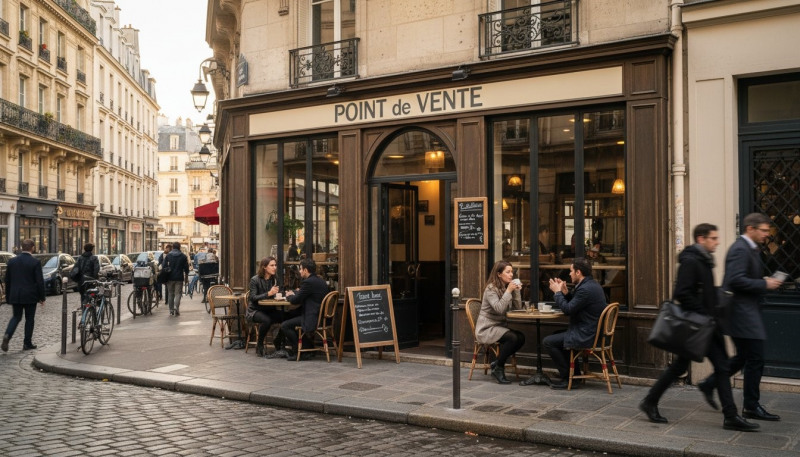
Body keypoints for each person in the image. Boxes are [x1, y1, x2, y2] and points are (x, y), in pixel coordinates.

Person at [639, 224, 759, 432]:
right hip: (699, 326)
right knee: (692, 367)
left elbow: (701, 292)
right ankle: (729, 415)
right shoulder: (692, 261)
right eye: (713, 238)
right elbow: (682, 293)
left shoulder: (703, 260)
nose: (717, 242)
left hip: (707, 325)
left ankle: (730, 415)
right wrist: (705, 313)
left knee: (715, 367)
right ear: (701, 239)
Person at [698, 213, 783, 422]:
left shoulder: (750, 248)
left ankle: (709, 384)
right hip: (741, 313)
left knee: (744, 357)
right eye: (763, 230)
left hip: (746, 312)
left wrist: (761, 280)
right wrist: (765, 284)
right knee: (755, 358)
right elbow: (735, 280)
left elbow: (742, 278)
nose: (766, 235)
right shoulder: (740, 249)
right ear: (750, 229)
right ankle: (751, 406)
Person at [535, 257, 606, 389]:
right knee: (557, 335)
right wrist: (566, 293)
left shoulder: (585, 289)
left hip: (587, 334)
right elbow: (576, 304)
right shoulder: (591, 285)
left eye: (571, 271)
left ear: (578, 272)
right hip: (591, 330)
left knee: (548, 342)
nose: (569, 274)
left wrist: (557, 293)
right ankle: (573, 375)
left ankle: (567, 378)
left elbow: (568, 310)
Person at [474, 260, 525, 384]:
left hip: (499, 327)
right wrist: (509, 291)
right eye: (508, 272)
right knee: (512, 338)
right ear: (499, 274)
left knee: (521, 337)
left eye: (512, 272)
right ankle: (499, 368)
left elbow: (517, 308)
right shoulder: (491, 289)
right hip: (486, 328)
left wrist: (517, 290)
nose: (511, 275)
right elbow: (499, 309)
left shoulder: (505, 287)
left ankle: (497, 363)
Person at [2, 239, 46, 352]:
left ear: (22, 248)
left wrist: (7, 296)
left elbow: (7, 280)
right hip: (30, 296)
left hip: (15, 294)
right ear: (32, 248)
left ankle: (7, 335)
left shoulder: (12, 261)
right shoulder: (35, 262)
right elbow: (39, 281)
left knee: (16, 317)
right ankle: (27, 343)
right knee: (29, 319)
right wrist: (42, 297)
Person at [281, 258, 328, 361]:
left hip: (312, 317)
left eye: (301, 269)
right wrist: (296, 293)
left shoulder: (308, 282)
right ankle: (308, 348)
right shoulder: (320, 280)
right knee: (290, 315)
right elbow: (305, 294)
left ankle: (298, 351)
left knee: (285, 325)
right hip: (321, 316)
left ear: (306, 270)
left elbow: (296, 300)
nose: (300, 271)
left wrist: (288, 296)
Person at [246, 257, 286, 357]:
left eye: (275, 265)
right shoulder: (255, 280)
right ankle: (259, 345)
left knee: (286, 318)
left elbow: (279, 292)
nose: (275, 268)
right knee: (267, 320)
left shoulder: (275, 279)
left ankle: (278, 340)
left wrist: (284, 294)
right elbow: (253, 297)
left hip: (269, 309)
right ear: (264, 267)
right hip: (255, 311)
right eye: (272, 265)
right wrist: (269, 293)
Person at [163, 242, 189, 316]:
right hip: (179, 277)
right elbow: (186, 268)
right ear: (179, 247)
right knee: (178, 294)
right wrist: (186, 276)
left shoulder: (168, 255)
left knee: (170, 294)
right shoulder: (183, 256)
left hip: (170, 277)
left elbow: (164, 266)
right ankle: (176, 308)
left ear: (173, 247)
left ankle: (171, 310)